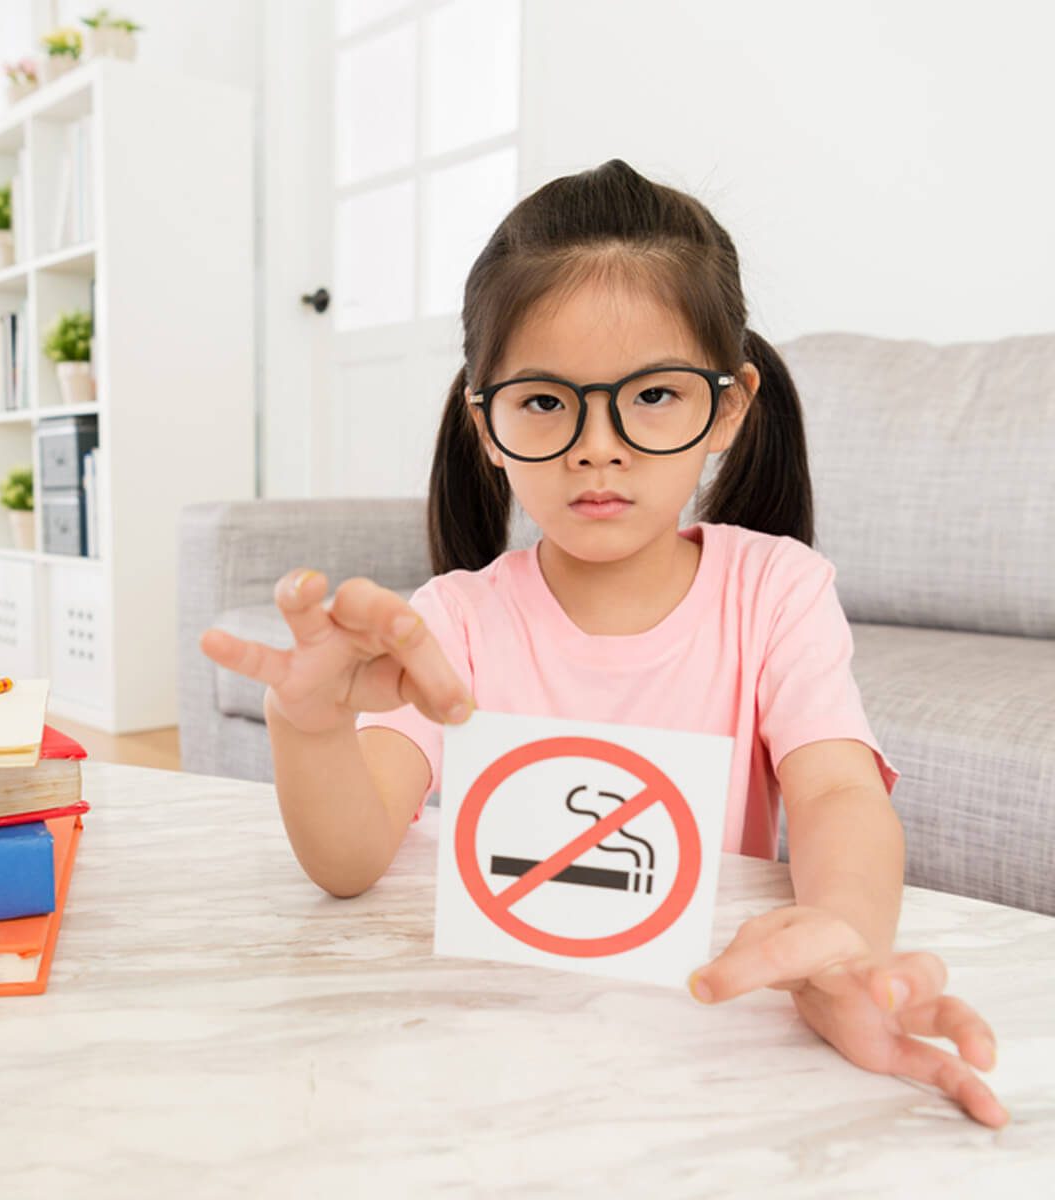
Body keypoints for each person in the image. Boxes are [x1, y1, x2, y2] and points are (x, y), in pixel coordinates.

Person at [201, 159, 1008, 1128]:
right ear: (485, 425)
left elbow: (837, 790)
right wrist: (311, 726)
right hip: (487, 1049)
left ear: (730, 406)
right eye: (544, 402)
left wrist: (842, 938)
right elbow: (349, 858)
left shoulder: (776, 592)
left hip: (701, 1039)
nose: (598, 446)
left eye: (653, 397)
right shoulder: (453, 618)